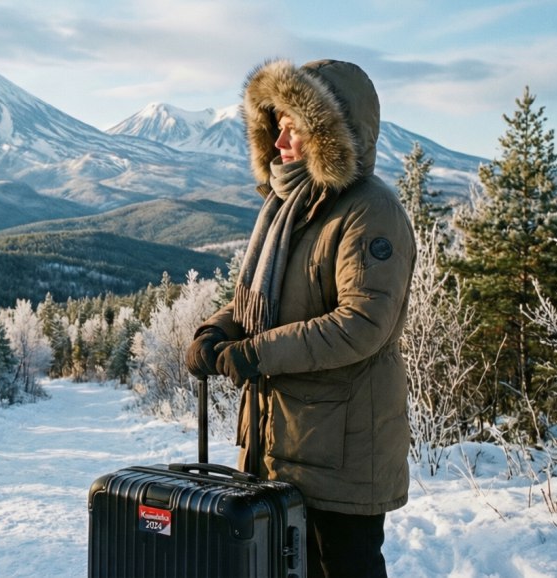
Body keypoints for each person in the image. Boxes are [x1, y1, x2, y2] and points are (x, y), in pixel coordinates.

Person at [185, 59, 416, 577]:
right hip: (280, 443)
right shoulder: (287, 207)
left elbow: (361, 323)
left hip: (342, 452)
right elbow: (261, 302)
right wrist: (219, 328)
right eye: (277, 125)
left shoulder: (368, 210)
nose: (280, 140)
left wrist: (254, 353)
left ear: (330, 134)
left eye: (294, 127)